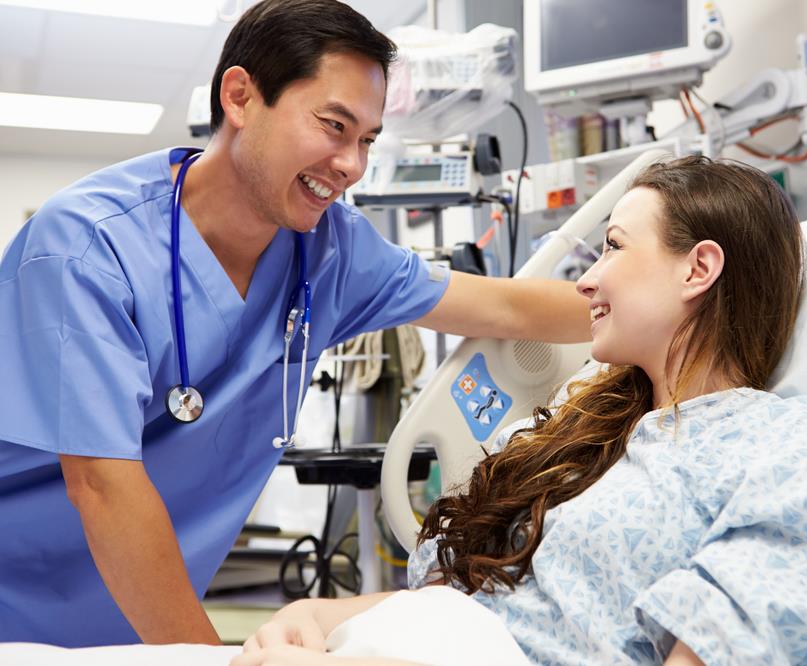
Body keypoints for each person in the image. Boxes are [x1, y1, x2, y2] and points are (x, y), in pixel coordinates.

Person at [0, 0, 589, 648]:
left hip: (143, 625)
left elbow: (505, 306)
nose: (352, 164)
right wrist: (203, 660)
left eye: (366, 140)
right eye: (334, 126)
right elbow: (103, 486)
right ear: (241, 96)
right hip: (18, 615)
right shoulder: (84, 250)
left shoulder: (331, 251)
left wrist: (677, 307)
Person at [234, 156, 807, 666]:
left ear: (698, 269)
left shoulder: (792, 446)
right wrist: (315, 616)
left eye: (614, 248)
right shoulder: (592, 434)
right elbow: (479, 602)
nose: (587, 278)